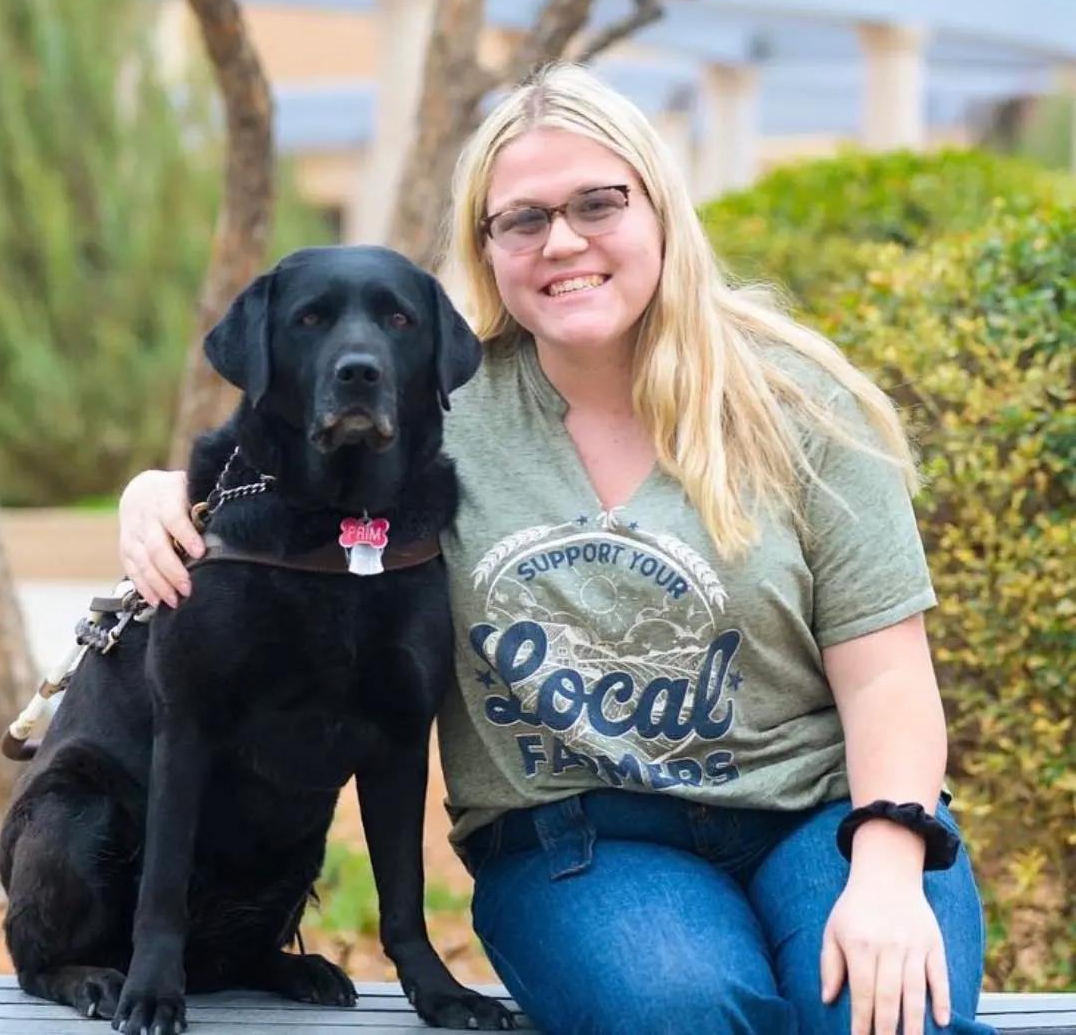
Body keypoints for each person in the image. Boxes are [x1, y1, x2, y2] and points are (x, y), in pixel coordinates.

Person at [118, 62, 993, 1035]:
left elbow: (887, 683)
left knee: (893, 1018)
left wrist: (885, 867)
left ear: (660, 209)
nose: (564, 240)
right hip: (579, 845)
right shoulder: (439, 410)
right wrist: (161, 491)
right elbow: (285, 470)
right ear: (487, 248)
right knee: (689, 1014)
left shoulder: (799, 404)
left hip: (825, 824)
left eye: (598, 203)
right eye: (524, 219)